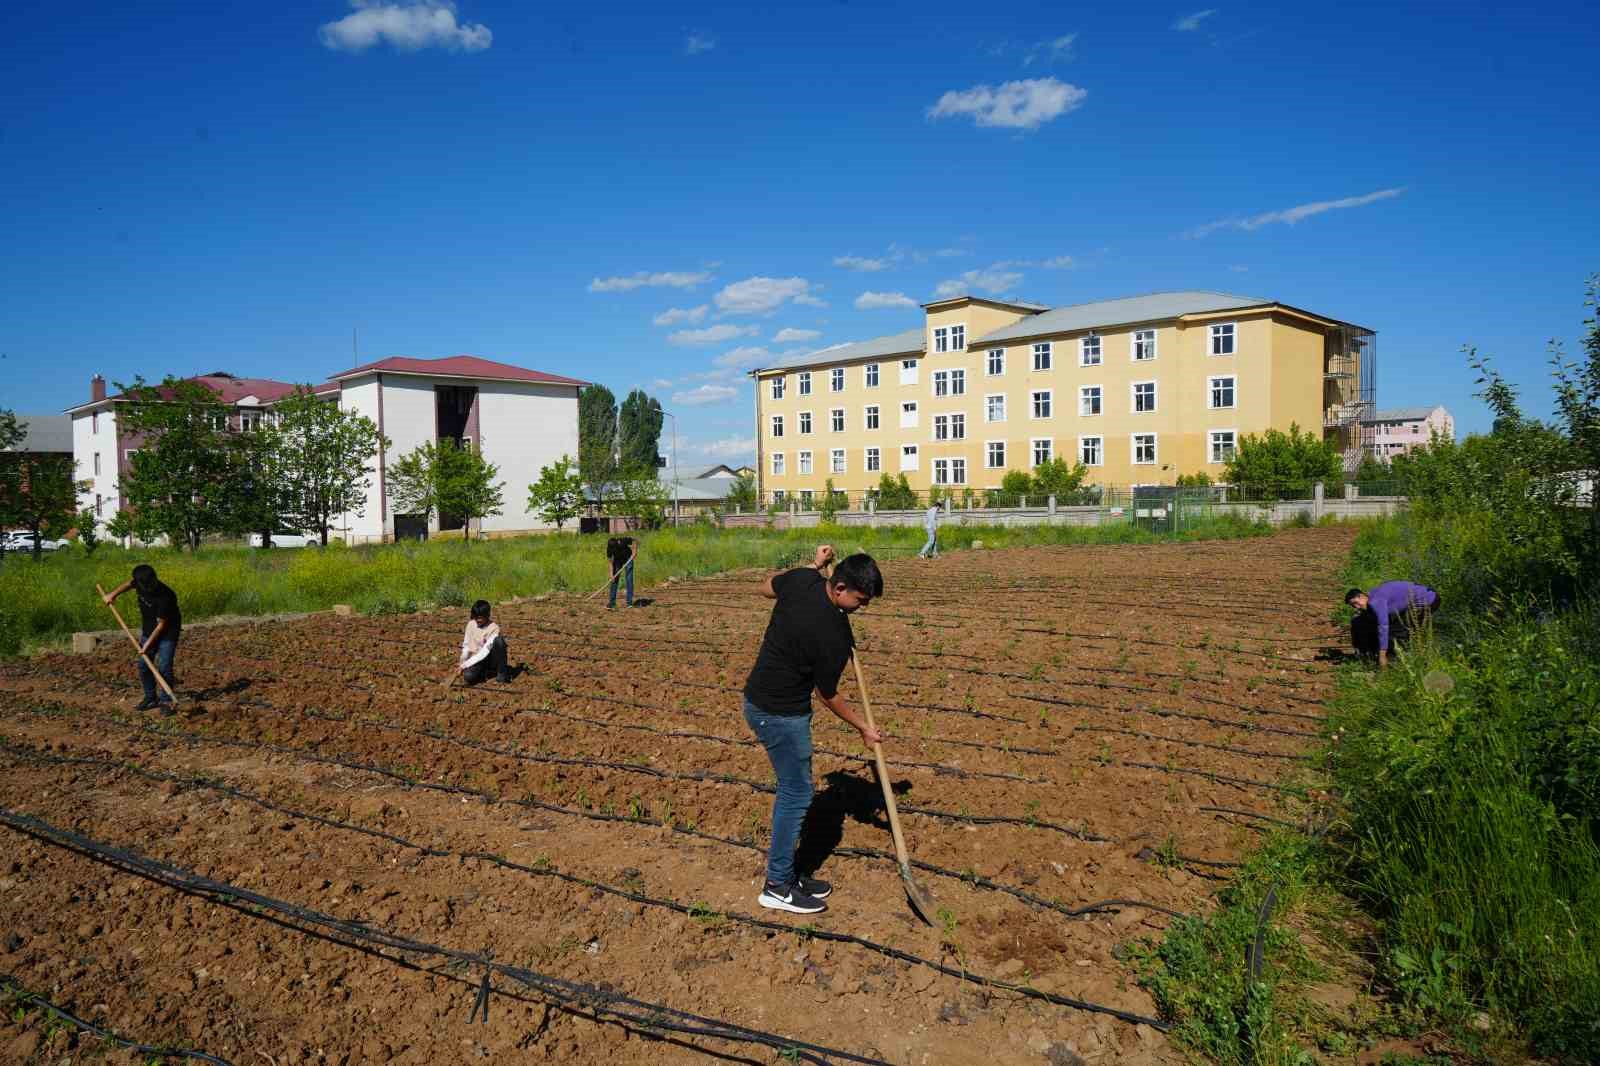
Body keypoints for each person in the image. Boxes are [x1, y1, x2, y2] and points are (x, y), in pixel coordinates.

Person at [743, 545, 885, 915]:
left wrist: (813, 565)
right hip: (779, 713)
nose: (864, 607)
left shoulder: (804, 580)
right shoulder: (832, 633)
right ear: (839, 589)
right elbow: (828, 695)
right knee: (797, 793)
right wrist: (864, 729)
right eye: (861, 599)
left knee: (798, 788)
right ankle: (776, 885)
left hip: (761, 699)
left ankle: (790, 873)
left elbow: (765, 586)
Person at [102, 564, 181, 713]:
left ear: (155, 579)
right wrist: (112, 594)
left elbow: (161, 625)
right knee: (144, 665)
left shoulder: (166, 596)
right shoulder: (139, 583)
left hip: (168, 631)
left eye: (152, 583)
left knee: (164, 666)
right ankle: (151, 697)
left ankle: (166, 701)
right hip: (148, 628)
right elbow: (128, 584)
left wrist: (146, 646)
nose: (150, 587)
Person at [1346, 582, 1441, 667]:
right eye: (1353, 605)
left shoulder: (1376, 601)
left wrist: (1382, 654)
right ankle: (1375, 655)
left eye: (1356, 603)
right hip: (1427, 596)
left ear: (1361, 596)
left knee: (1397, 631)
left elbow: (1383, 626)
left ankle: (1395, 662)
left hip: (1427, 600)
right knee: (1365, 622)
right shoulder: (1372, 594)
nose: (1356, 607)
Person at [454, 599, 511, 685]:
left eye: (480, 618)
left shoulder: (494, 628)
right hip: (476, 659)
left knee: (499, 641)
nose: (477, 620)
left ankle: (501, 674)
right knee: (468, 676)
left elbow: (484, 652)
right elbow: (466, 645)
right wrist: (462, 661)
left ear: (487, 615)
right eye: (475, 617)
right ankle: (485, 672)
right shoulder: (471, 624)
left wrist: (464, 666)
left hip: (489, 658)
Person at [606, 535, 637, 609]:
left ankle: (629, 603)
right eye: (612, 548)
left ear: (617, 544)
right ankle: (612, 603)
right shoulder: (609, 549)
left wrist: (634, 551)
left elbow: (634, 540)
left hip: (628, 558)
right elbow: (610, 562)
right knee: (614, 580)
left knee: (629, 579)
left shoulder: (622, 541)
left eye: (614, 548)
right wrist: (611, 575)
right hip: (618, 561)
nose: (613, 549)